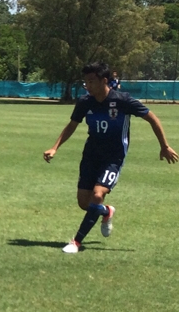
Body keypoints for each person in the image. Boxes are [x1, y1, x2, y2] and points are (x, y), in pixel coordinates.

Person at [43, 62, 178, 254]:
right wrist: (54, 147)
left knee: (97, 195)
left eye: (91, 81)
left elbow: (152, 118)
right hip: (91, 156)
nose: (87, 86)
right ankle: (107, 211)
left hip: (114, 157)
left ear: (104, 80)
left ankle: (76, 242)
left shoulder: (122, 100)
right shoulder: (85, 102)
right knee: (85, 203)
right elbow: (72, 125)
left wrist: (164, 146)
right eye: (85, 82)